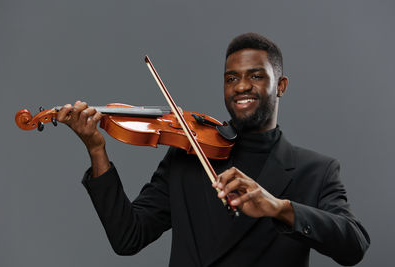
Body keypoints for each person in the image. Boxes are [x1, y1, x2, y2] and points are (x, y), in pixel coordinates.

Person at [57, 33, 370, 266]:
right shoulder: (187, 155)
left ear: (282, 86)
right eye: (231, 78)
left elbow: (354, 244)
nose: (241, 86)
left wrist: (277, 207)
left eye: (256, 76)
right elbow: (128, 237)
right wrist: (97, 151)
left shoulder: (315, 170)